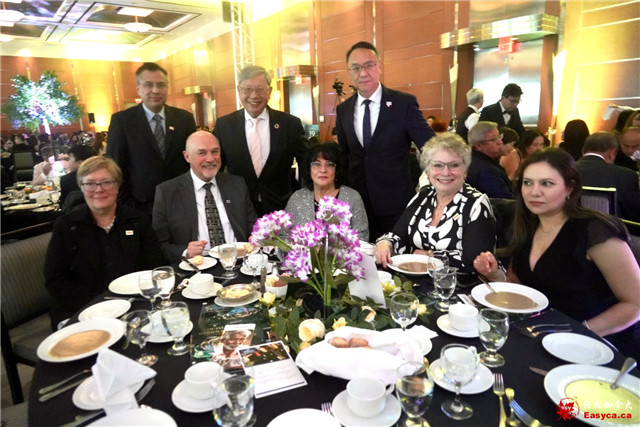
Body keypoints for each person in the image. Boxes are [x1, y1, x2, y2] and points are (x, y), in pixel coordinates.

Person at [473, 148, 640, 359]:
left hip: (598, 345)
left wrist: (579, 332)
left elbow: (635, 303)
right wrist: (495, 275)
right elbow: (524, 290)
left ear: (570, 187)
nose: (534, 192)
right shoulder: (528, 225)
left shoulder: (594, 230)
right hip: (544, 336)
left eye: (547, 183)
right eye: (528, 183)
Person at [44, 156, 163, 329]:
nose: (98, 189)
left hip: (133, 308)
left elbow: (155, 266)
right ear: (81, 187)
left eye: (106, 182)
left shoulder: (138, 221)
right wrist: (102, 305)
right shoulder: (66, 226)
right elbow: (55, 281)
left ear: (118, 185)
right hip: (81, 311)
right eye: (90, 183)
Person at [336, 41, 436, 240]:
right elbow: (345, 156)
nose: (363, 73)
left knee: (395, 255)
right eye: (356, 68)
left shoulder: (403, 103)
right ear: (349, 72)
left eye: (369, 65)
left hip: (396, 203)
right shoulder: (343, 110)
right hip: (359, 204)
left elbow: (430, 145)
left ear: (380, 66)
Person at [375, 133, 496, 273]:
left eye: (454, 165)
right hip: (416, 280)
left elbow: (476, 261)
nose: (446, 172)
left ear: (465, 170)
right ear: (427, 170)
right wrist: (385, 244)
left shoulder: (476, 204)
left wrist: (429, 256)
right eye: (438, 165)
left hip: (457, 283)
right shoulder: (423, 196)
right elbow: (398, 235)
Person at [213, 65, 308, 217]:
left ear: (269, 91)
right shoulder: (224, 126)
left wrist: (306, 201)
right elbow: (216, 167)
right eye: (247, 89)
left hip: (281, 209)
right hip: (238, 209)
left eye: (260, 89)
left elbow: (307, 165)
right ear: (239, 90)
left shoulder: (290, 124)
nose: (254, 95)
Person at [107, 62, 197, 216]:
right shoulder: (122, 121)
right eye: (148, 85)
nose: (155, 90)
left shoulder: (184, 119)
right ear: (138, 89)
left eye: (161, 85)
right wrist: (126, 204)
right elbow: (115, 167)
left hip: (181, 202)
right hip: (140, 206)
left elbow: (193, 160)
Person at [153, 131, 257, 262]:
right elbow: (159, 244)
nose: (210, 159)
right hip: (197, 267)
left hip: (240, 262)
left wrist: (256, 237)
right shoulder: (168, 192)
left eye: (215, 152)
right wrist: (185, 252)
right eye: (202, 153)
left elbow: (253, 225)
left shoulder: (236, 184)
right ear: (187, 156)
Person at [285, 142, 369, 241]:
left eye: (329, 165)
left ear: (337, 169)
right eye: (316, 164)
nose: (323, 170)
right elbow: (284, 236)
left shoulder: (353, 197)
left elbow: (362, 237)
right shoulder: (297, 198)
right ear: (309, 169)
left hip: (343, 252)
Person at [577, 132, 640, 221]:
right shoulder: (625, 175)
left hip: (569, 227)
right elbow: (635, 213)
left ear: (583, 150)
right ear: (612, 153)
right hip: (612, 228)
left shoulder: (564, 171)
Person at [466, 122, 514, 199]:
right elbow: (506, 200)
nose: (500, 142)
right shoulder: (486, 169)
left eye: (499, 136)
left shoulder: (476, 159)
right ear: (478, 146)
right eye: (494, 139)